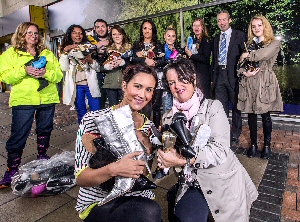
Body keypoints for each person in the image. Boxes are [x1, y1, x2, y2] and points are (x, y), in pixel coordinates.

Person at [157, 58, 258, 222]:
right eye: (171, 82)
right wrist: (163, 159)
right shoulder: (168, 117)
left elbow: (219, 151)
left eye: (182, 79)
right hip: (191, 183)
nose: (177, 86)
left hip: (222, 181)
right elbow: (169, 154)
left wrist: (182, 160)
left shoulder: (213, 107)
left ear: (194, 79)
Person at [75, 64, 162, 222]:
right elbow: (81, 179)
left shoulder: (149, 127)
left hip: (137, 196)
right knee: (151, 213)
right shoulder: (93, 120)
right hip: (99, 200)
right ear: (124, 85)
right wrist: (113, 169)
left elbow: (143, 173)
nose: (142, 95)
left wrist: (156, 154)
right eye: (137, 86)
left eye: (149, 89)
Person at [0, 22, 63, 188]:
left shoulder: (47, 53)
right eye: (29, 32)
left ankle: (42, 155)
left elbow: (58, 76)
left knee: (45, 129)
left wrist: (46, 73)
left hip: (47, 98)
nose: (33, 36)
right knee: (18, 134)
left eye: (36, 33)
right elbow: (5, 77)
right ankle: (11, 170)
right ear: (21, 33)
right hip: (24, 99)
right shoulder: (11, 54)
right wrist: (25, 70)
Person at [237, 15, 283, 159]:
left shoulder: (273, 43)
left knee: (265, 115)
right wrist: (245, 73)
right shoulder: (249, 44)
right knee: (251, 115)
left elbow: (262, 55)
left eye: (259, 25)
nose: (256, 28)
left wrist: (246, 55)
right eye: (253, 26)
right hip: (250, 82)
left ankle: (267, 146)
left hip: (265, 82)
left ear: (265, 26)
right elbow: (239, 67)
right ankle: (253, 145)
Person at [211, 10, 246, 147]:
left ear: (229, 20)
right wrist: (213, 79)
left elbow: (246, 55)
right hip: (219, 75)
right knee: (221, 107)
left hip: (233, 76)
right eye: (219, 20)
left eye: (224, 19)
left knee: (237, 107)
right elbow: (214, 60)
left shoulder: (239, 35)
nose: (222, 22)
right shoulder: (216, 38)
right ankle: (224, 132)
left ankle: (236, 133)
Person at [59, 24, 101, 124]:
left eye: (80, 33)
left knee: (96, 112)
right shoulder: (65, 49)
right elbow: (64, 68)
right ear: (70, 34)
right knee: (81, 112)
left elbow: (98, 68)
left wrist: (90, 60)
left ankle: (97, 134)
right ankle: (83, 135)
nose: (78, 35)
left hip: (90, 84)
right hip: (77, 86)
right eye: (74, 33)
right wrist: (65, 52)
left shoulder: (89, 47)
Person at [132, 20, 164, 127]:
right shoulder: (137, 45)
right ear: (142, 30)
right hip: (142, 80)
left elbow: (164, 60)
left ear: (153, 31)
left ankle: (155, 133)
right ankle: (142, 130)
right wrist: (145, 61)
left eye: (150, 28)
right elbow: (132, 59)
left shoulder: (159, 44)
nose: (147, 31)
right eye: (145, 28)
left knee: (156, 107)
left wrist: (154, 63)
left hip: (157, 79)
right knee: (143, 106)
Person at [102, 25, 132, 106]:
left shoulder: (130, 49)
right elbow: (101, 67)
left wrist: (122, 62)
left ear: (123, 35)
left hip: (126, 83)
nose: (117, 36)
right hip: (111, 83)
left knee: (126, 108)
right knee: (114, 109)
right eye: (114, 34)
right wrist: (108, 66)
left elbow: (133, 66)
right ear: (111, 36)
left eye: (119, 34)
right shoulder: (107, 50)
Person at [185, 17, 212, 99]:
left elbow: (206, 59)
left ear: (203, 27)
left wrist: (191, 55)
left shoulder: (206, 40)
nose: (196, 28)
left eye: (198, 26)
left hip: (203, 76)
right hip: (193, 74)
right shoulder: (191, 40)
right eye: (194, 26)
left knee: (203, 99)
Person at [88, 19, 110, 109]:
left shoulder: (113, 39)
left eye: (103, 26)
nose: (100, 29)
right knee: (99, 107)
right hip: (97, 77)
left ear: (108, 28)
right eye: (98, 27)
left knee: (116, 106)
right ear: (94, 29)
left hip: (113, 76)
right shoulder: (90, 42)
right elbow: (87, 57)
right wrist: (96, 48)